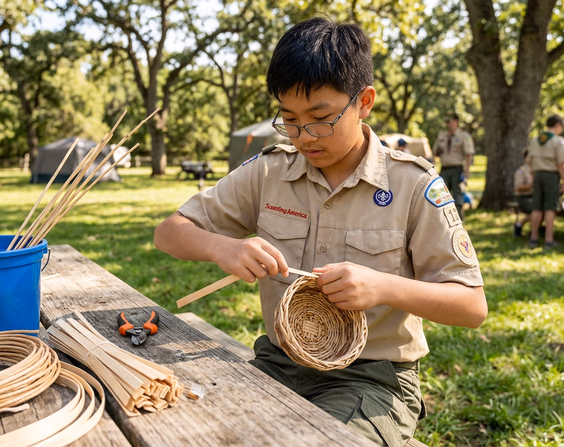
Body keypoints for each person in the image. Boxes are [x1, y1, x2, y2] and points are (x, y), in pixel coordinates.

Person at [154, 17, 487, 447]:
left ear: (363, 102)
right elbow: (169, 233)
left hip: (373, 379)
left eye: (321, 117)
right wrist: (222, 247)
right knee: (187, 427)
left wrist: (382, 287)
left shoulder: (413, 185)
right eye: (289, 119)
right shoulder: (270, 171)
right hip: (279, 361)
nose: (304, 136)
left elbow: (471, 306)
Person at [526, 114, 564, 249]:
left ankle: (533, 238)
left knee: (536, 208)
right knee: (550, 208)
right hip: (551, 176)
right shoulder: (558, 141)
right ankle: (548, 240)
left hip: (538, 175)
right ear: (557, 126)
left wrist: (534, 175)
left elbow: (529, 161)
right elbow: (561, 163)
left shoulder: (534, 140)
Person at [433, 113, 475, 220]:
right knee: (442, 193)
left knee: (457, 193)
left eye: (450, 121)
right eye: (446, 121)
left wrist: (467, 169)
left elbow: (469, 154)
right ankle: (442, 217)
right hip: (445, 168)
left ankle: (459, 217)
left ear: (456, 121)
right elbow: (435, 153)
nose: (448, 124)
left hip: (457, 168)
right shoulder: (442, 136)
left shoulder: (463, 136)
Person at [513, 149, 533, 237]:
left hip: (536, 196)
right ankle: (519, 224)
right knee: (537, 211)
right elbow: (518, 188)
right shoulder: (521, 171)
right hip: (524, 197)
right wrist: (529, 186)